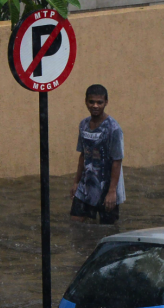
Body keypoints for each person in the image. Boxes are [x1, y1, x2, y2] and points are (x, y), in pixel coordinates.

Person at [70, 84, 126, 224]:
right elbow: (83, 155)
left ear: (106, 102)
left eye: (99, 102)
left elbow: (117, 161)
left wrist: (112, 191)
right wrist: (76, 182)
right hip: (86, 185)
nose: (95, 106)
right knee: (75, 224)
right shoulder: (83, 125)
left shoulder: (113, 128)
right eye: (91, 102)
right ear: (86, 102)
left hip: (107, 186)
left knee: (108, 229)